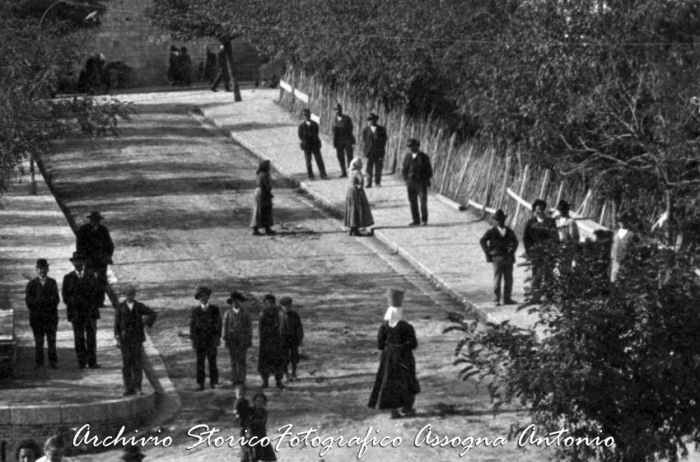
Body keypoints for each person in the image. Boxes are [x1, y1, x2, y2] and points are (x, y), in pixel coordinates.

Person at [368, 289, 420, 419]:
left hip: (388, 357)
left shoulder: (384, 327)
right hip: (404, 357)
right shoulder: (406, 326)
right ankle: (406, 407)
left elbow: (380, 345)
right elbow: (414, 344)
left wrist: (390, 347)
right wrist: (403, 346)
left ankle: (393, 410)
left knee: (390, 382)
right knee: (407, 380)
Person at [114, 285, 157, 396]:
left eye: (132, 294)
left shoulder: (139, 306)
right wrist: (118, 338)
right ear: (125, 295)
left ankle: (137, 387)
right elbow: (116, 324)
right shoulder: (120, 307)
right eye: (128, 294)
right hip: (125, 340)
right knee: (126, 365)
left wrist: (145, 323)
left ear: (134, 295)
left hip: (136, 339)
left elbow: (153, 314)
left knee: (137, 364)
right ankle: (128, 388)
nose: (130, 296)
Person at [62, 252, 101, 369]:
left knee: (91, 337)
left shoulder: (91, 275)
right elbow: (65, 297)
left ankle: (92, 362)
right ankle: (82, 362)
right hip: (76, 313)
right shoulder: (68, 278)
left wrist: (90, 305)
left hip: (90, 312)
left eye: (80, 261)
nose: (78, 263)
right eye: (76, 261)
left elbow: (97, 293)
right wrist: (76, 304)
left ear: (84, 262)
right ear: (73, 263)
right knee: (79, 338)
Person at [25, 258, 60, 369]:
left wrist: (45, 304)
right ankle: (39, 363)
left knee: (51, 341)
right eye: (40, 269)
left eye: (44, 268)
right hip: (37, 318)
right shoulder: (31, 284)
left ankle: (53, 362)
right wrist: (40, 304)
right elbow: (28, 301)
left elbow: (56, 300)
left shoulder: (52, 282)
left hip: (50, 318)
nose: (42, 271)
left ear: (47, 269)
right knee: (39, 342)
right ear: (37, 270)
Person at [479, 209, 519, 306]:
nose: (500, 221)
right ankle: (496, 299)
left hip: (508, 258)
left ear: (504, 220)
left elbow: (515, 242)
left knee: (508, 278)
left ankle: (507, 298)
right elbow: (482, 241)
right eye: (498, 220)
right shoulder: (492, 232)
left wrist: (511, 250)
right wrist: (488, 253)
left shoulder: (509, 231)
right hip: (497, 258)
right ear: (495, 221)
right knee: (497, 279)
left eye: (501, 219)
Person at [76, 211, 115, 307]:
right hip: (88, 260)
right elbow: (79, 246)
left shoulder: (103, 230)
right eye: (93, 219)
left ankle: (100, 302)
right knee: (88, 280)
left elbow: (110, 245)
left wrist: (108, 256)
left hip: (101, 260)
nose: (94, 221)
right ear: (90, 219)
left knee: (101, 281)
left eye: (97, 219)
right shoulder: (84, 229)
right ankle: (88, 301)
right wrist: (82, 258)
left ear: (99, 220)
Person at [189, 286, 222, 391]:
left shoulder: (215, 310)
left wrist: (218, 337)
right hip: (199, 341)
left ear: (208, 297)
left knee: (212, 361)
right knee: (200, 362)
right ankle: (200, 383)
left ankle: (214, 382)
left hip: (211, 340)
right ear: (198, 298)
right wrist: (193, 340)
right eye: (201, 296)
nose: (203, 298)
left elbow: (219, 324)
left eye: (205, 296)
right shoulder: (195, 311)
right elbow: (192, 327)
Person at [522, 199, 557, 295]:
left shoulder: (550, 222)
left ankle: (549, 297)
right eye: (538, 209)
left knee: (548, 274)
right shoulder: (530, 222)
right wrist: (529, 251)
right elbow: (526, 238)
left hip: (547, 252)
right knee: (536, 274)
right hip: (536, 253)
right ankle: (536, 296)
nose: (540, 211)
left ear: (544, 209)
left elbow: (555, 236)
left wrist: (552, 250)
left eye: (542, 209)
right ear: (534, 210)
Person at [223, 291, 253, 386]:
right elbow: (225, 326)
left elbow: (249, 327)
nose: (236, 303)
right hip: (232, 339)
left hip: (242, 339)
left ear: (240, 301)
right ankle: (234, 378)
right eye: (234, 301)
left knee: (242, 360)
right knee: (233, 360)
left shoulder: (245, 313)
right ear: (231, 302)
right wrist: (226, 339)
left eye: (237, 301)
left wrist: (249, 339)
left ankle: (242, 379)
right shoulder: (228, 313)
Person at [401, 139, 433, 226]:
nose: (411, 148)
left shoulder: (424, 157)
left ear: (417, 146)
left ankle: (424, 220)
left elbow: (429, 171)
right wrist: (406, 179)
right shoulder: (407, 156)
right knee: (413, 201)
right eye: (409, 147)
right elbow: (404, 169)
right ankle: (416, 220)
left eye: (412, 146)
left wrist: (424, 179)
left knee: (423, 201)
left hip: (421, 183)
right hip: (410, 183)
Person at [258, 294, 285, 389]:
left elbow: (281, 328)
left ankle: (279, 381)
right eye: (267, 303)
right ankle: (265, 381)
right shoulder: (262, 314)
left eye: (272, 303)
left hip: (276, 341)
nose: (270, 305)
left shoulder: (279, 314)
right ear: (265, 304)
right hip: (265, 342)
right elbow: (260, 329)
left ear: (274, 303)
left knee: (278, 362)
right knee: (265, 363)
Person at [344, 158, 374, 236]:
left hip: (350, 192)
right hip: (356, 193)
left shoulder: (350, 172)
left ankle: (352, 228)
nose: (362, 164)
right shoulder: (358, 172)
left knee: (352, 209)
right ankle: (356, 229)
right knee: (359, 209)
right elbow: (361, 182)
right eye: (360, 163)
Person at [244, 392, 277, 461]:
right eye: (257, 401)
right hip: (251, 435)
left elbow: (262, 422)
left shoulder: (264, 412)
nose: (259, 403)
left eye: (262, 402)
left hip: (261, 435)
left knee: (267, 457)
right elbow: (247, 421)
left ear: (264, 403)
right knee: (252, 456)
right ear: (254, 401)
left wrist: (253, 421)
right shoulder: (250, 410)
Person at [297, 108, 328, 180]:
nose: (307, 116)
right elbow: (300, 135)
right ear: (303, 116)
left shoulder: (315, 124)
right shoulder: (301, 126)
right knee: (308, 161)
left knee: (319, 159)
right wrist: (306, 139)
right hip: (307, 145)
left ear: (310, 115)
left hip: (315, 144)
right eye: (305, 115)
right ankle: (310, 175)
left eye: (308, 115)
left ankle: (323, 174)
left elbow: (316, 134)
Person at [279, 297, 303, 382]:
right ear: (281, 306)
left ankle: (294, 373)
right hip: (282, 339)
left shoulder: (295, 315)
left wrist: (300, 340)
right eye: (285, 306)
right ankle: (286, 373)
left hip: (293, 338)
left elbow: (299, 328)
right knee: (284, 357)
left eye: (289, 305)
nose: (287, 307)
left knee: (294, 357)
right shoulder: (278, 315)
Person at [361, 113, 389, 188]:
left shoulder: (381, 129)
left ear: (376, 120)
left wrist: (381, 147)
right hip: (369, 152)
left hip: (379, 152)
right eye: (370, 120)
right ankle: (368, 183)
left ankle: (377, 182)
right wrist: (367, 148)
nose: (372, 121)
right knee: (369, 167)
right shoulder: (366, 130)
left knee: (378, 167)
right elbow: (364, 139)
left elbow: (385, 139)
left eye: (373, 119)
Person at [610, 211, 639, 282]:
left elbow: (640, 243)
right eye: (620, 221)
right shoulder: (616, 232)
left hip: (623, 264)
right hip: (613, 262)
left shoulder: (631, 234)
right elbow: (612, 246)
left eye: (623, 221)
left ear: (628, 221)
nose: (621, 223)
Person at [251, 160, 276, 236]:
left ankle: (258, 228)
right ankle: (266, 228)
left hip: (259, 192)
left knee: (259, 210)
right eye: (269, 166)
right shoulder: (265, 175)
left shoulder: (260, 174)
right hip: (263, 193)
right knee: (265, 210)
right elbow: (267, 186)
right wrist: (269, 193)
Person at [555, 200, 580, 273]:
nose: (561, 211)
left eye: (563, 209)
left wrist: (567, 246)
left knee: (563, 271)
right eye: (560, 209)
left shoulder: (571, 222)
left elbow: (574, 238)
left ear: (567, 210)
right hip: (555, 248)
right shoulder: (557, 220)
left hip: (565, 250)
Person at [332, 103, 355, 177]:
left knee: (349, 155)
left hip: (347, 138)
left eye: (339, 109)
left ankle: (350, 171)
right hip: (338, 140)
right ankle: (343, 172)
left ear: (341, 110)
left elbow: (351, 127)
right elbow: (332, 130)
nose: (337, 111)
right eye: (336, 110)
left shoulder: (347, 118)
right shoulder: (333, 120)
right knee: (340, 156)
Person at [233, 385, 253, 461]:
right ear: (236, 394)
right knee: (243, 434)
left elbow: (248, 409)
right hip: (242, 421)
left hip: (247, 420)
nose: (240, 395)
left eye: (242, 393)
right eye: (239, 394)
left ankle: (247, 450)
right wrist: (237, 414)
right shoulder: (237, 401)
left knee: (247, 433)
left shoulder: (246, 401)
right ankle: (244, 451)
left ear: (245, 394)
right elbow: (235, 409)